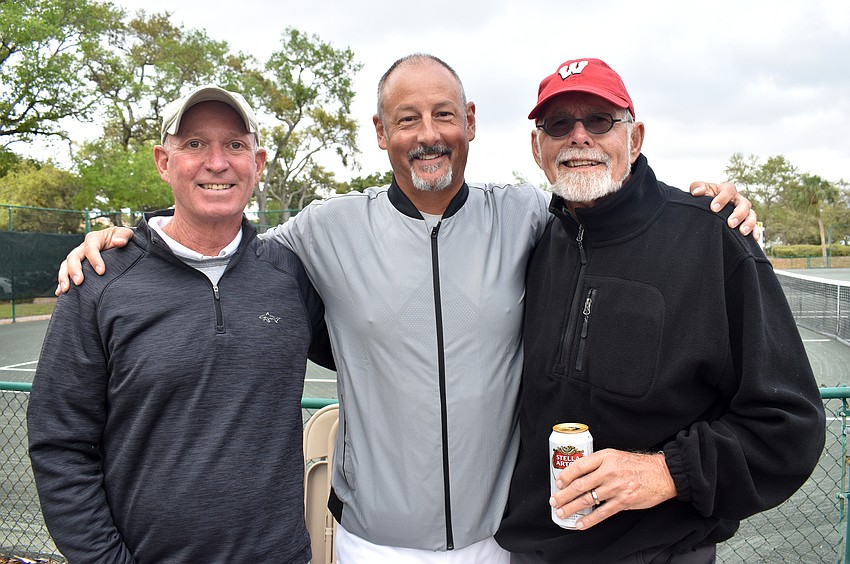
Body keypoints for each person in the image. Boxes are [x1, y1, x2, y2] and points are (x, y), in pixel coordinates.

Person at [54, 54, 756, 563]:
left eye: (444, 115)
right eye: (407, 118)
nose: (428, 134)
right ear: (381, 131)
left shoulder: (528, 214)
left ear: (471, 124)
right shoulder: (321, 229)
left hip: (501, 543)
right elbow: (214, 235)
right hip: (371, 543)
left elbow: (605, 196)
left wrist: (705, 206)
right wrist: (124, 238)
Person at [495, 58, 825, 564]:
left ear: (636, 136)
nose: (579, 136)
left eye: (600, 121)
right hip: (531, 549)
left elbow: (790, 423)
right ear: (538, 147)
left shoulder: (713, 238)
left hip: (659, 552)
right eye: (559, 124)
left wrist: (668, 472)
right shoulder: (535, 241)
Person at [28, 85, 333, 563]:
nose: (217, 162)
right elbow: (60, 445)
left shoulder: (290, 274)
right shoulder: (100, 278)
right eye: (194, 144)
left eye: (235, 144)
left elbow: (373, 348)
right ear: (163, 162)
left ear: (259, 162)